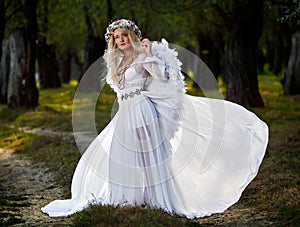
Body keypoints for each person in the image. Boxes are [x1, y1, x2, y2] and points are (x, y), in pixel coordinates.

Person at [41, 19, 268, 219]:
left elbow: (163, 76)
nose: (120, 40)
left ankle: (159, 201)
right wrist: (111, 63)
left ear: (132, 36)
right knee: (124, 156)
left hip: (142, 110)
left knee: (149, 156)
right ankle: (128, 200)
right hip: (124, 113)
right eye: (116, 37)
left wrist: (149, 54)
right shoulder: (116, 61)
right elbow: (119, 88)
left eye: (124, 36)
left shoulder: (142, 56)